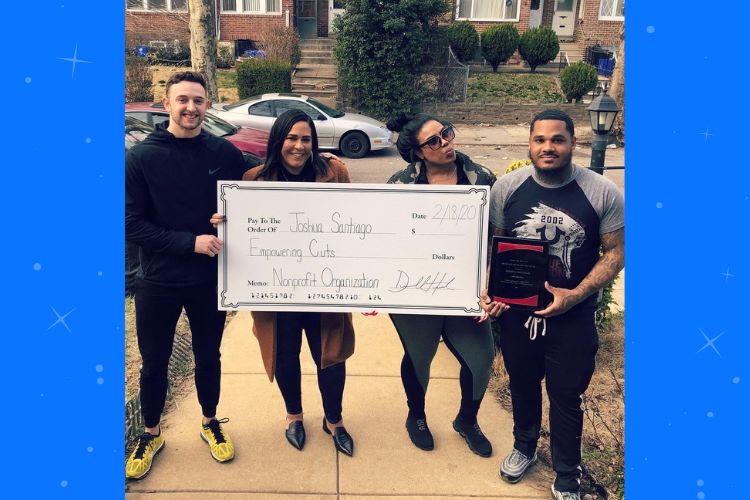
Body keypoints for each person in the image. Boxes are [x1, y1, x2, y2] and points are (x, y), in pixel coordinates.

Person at [483, 109, 624, 500]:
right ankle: (524, 446)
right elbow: (497, 249)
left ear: (572, 143)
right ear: (529, 144)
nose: (548, 147)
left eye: (557, 139)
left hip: (573, 317)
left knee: (566, 395)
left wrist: (575, 295)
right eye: (540, 140)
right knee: (523, 384)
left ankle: (566, 472)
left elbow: (615, 254)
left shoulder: (602, 192)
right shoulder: (506, 189)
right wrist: (491, 291)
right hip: (519, 315)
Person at [213, 108, 356, 456]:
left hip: (325, 287)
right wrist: (224, 223)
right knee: (284, 353)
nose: (299, 146)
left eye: (306, 138)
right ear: (278, 140)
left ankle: (334, 420)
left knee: (331, 355)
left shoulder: (334, 171)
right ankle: (294, 415)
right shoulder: (253, 179)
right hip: (276, 290)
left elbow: (356, 221)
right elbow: (243, 234)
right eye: (292, 138)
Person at [125, 71, 247, 479]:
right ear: (167, 103)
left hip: (208, 280)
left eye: (198, 100)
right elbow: (130, 224)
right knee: (154, 362)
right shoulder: (141, 157)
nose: (190, 107)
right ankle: (152, 433)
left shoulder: (224, 153)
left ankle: (210, 422)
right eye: (182, 100)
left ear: (208, 104)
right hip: (158, 281)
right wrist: (188, 242)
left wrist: (230, 218)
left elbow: (258, 191)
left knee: (208, 356)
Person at [384, 112, 496, 457]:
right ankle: (416, 416)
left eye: (445, 133)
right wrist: (373, 288)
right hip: (415, 293)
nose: (445, 142)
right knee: (419, 356)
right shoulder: (399, 185)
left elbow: (497, 239)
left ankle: (467, 419)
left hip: (467, 292)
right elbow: (379, 241)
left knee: (481, 358)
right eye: (433, 141)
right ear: (418, 153)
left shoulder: (482, 179)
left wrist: (491, 286)